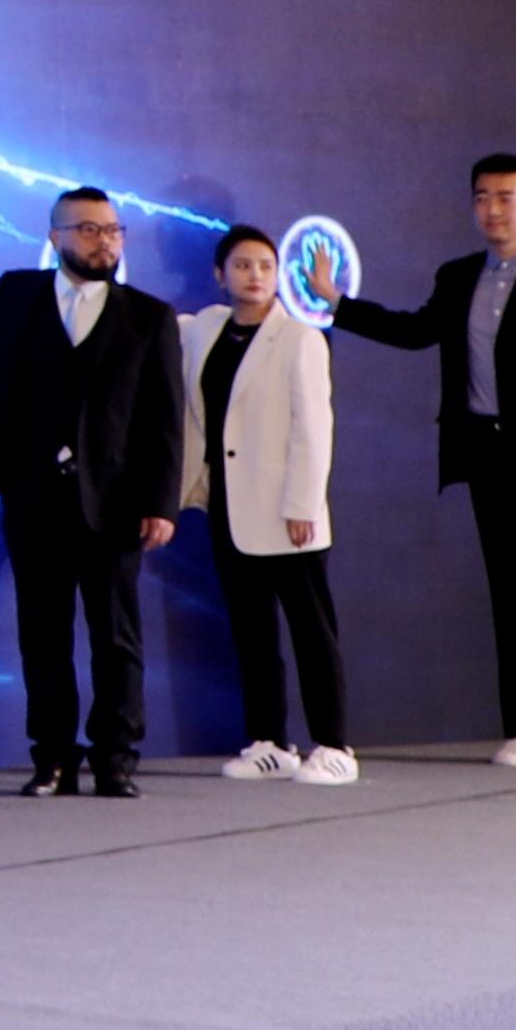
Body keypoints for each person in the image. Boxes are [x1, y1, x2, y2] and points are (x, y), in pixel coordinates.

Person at [328, 153, 516, 770]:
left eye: (505, 197)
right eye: (481, 198)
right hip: (489, 458)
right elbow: (414, 331)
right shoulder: (458, 275)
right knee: (511, 599)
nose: (491, 209)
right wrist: (339, 303)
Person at [0, 188, 185, 797]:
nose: (104, 241)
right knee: (42, 633)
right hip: (32, 495)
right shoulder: (15, 296)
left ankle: (116, 756)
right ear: (54, 236)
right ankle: (52, 756)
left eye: (113, 230)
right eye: (88, 229)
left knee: (116, 635)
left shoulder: (149, 316)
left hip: (115, 500)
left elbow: (166, 419)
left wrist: (161, 502)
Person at [182, 226, 349, 782]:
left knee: (311, 630)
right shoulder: (205, 328)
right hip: (228, 506)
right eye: (242, 265)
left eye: (264, 266)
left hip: (288, 511)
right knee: (251, 632)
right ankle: (270, 742)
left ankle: (334, 745)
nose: (255, 276)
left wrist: (303, 503)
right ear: (219, 274)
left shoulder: (300, 338)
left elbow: (314, 428)